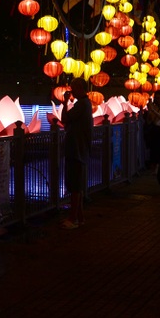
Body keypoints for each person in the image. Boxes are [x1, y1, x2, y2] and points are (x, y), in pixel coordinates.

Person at [60, 78, 93, 229]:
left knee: (75, 185)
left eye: (73, 88)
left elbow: (64, 118)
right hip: (79, 148)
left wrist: (65, 103)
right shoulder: (85, 104)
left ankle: (73, 218)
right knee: (76, 184)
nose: (71, 91)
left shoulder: (82, 104)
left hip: (76, 149)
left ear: (80, 88)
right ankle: (80, 217)